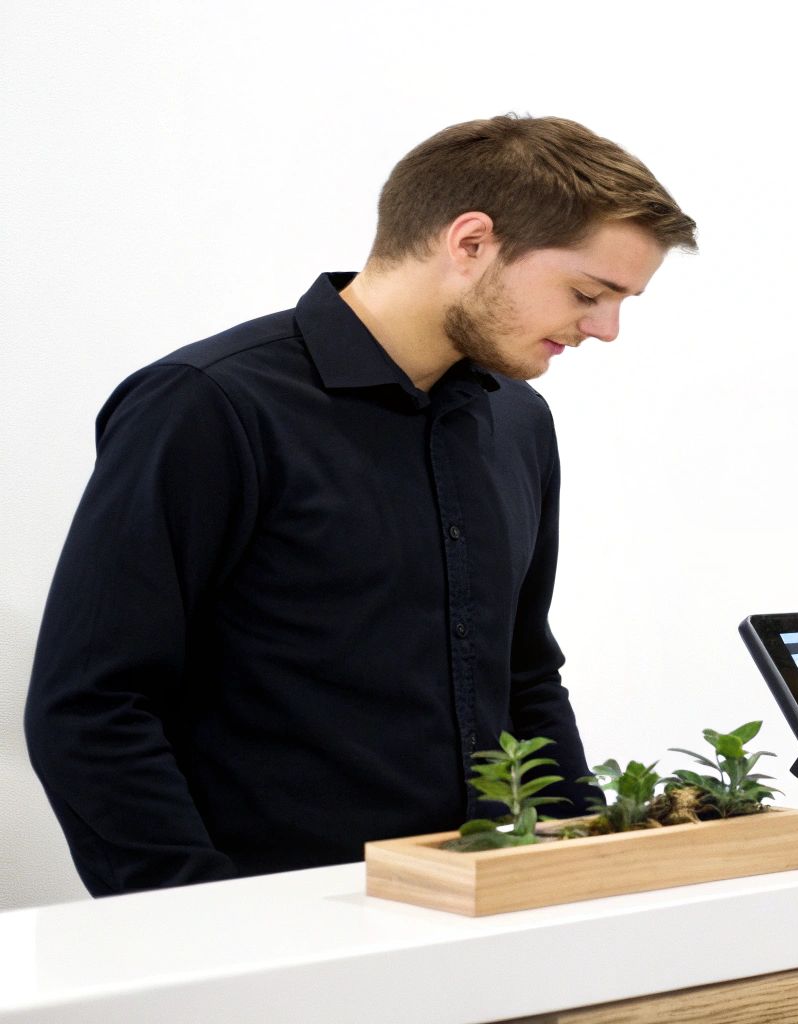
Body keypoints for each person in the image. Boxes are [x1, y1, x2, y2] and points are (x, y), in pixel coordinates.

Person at [24, 115, 696, 896]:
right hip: (273, 934)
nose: (606, 329)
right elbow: (92, 707)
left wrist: (589, 876)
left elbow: (524, 676)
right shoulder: (207, 406)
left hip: (487, 920)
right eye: (589, 292)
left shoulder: (516, 419)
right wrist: (195, 922)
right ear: (471, 243)